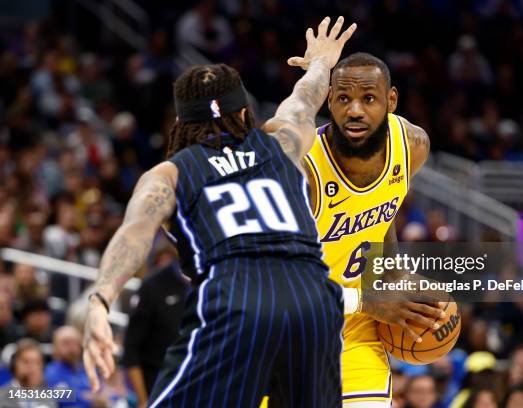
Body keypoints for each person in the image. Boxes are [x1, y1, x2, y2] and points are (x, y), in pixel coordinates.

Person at [83, 16, 356, 408]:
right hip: (313, 297)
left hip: (237, 299)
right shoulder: (283, 143)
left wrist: (100, 301)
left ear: (179, 122)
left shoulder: (170, 174)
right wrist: (321, 63)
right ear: (245, 112)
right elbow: (304, 100)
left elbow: (134, 233)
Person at [298, 52, 445, 406]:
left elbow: (383, 216)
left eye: (368, 99)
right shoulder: (303, 172)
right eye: (344, 98)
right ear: (329, 100)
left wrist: (394, 276)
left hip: (357, 336)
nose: (355, 111)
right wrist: (370, 300)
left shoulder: (412, 146)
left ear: (391, 100)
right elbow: (280, 285)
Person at [123, 258, 189, 407]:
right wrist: (142, 401)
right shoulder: (152, 285)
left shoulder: (215, 281)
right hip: (156, 386)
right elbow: (130, 348)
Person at [0, 338, 57, 408]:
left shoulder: (47, 398)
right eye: (26, 362)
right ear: (14, 365)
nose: (32, 368)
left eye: (37, 363)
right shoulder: (2, 397)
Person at [44, 326, 90, 407]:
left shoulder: (86, 371)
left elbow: (105, 393)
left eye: (75, 343)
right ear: (55, 347)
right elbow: (59, 396)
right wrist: (88, 398)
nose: (72, 348)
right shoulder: (50, 372)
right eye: (66, 343)